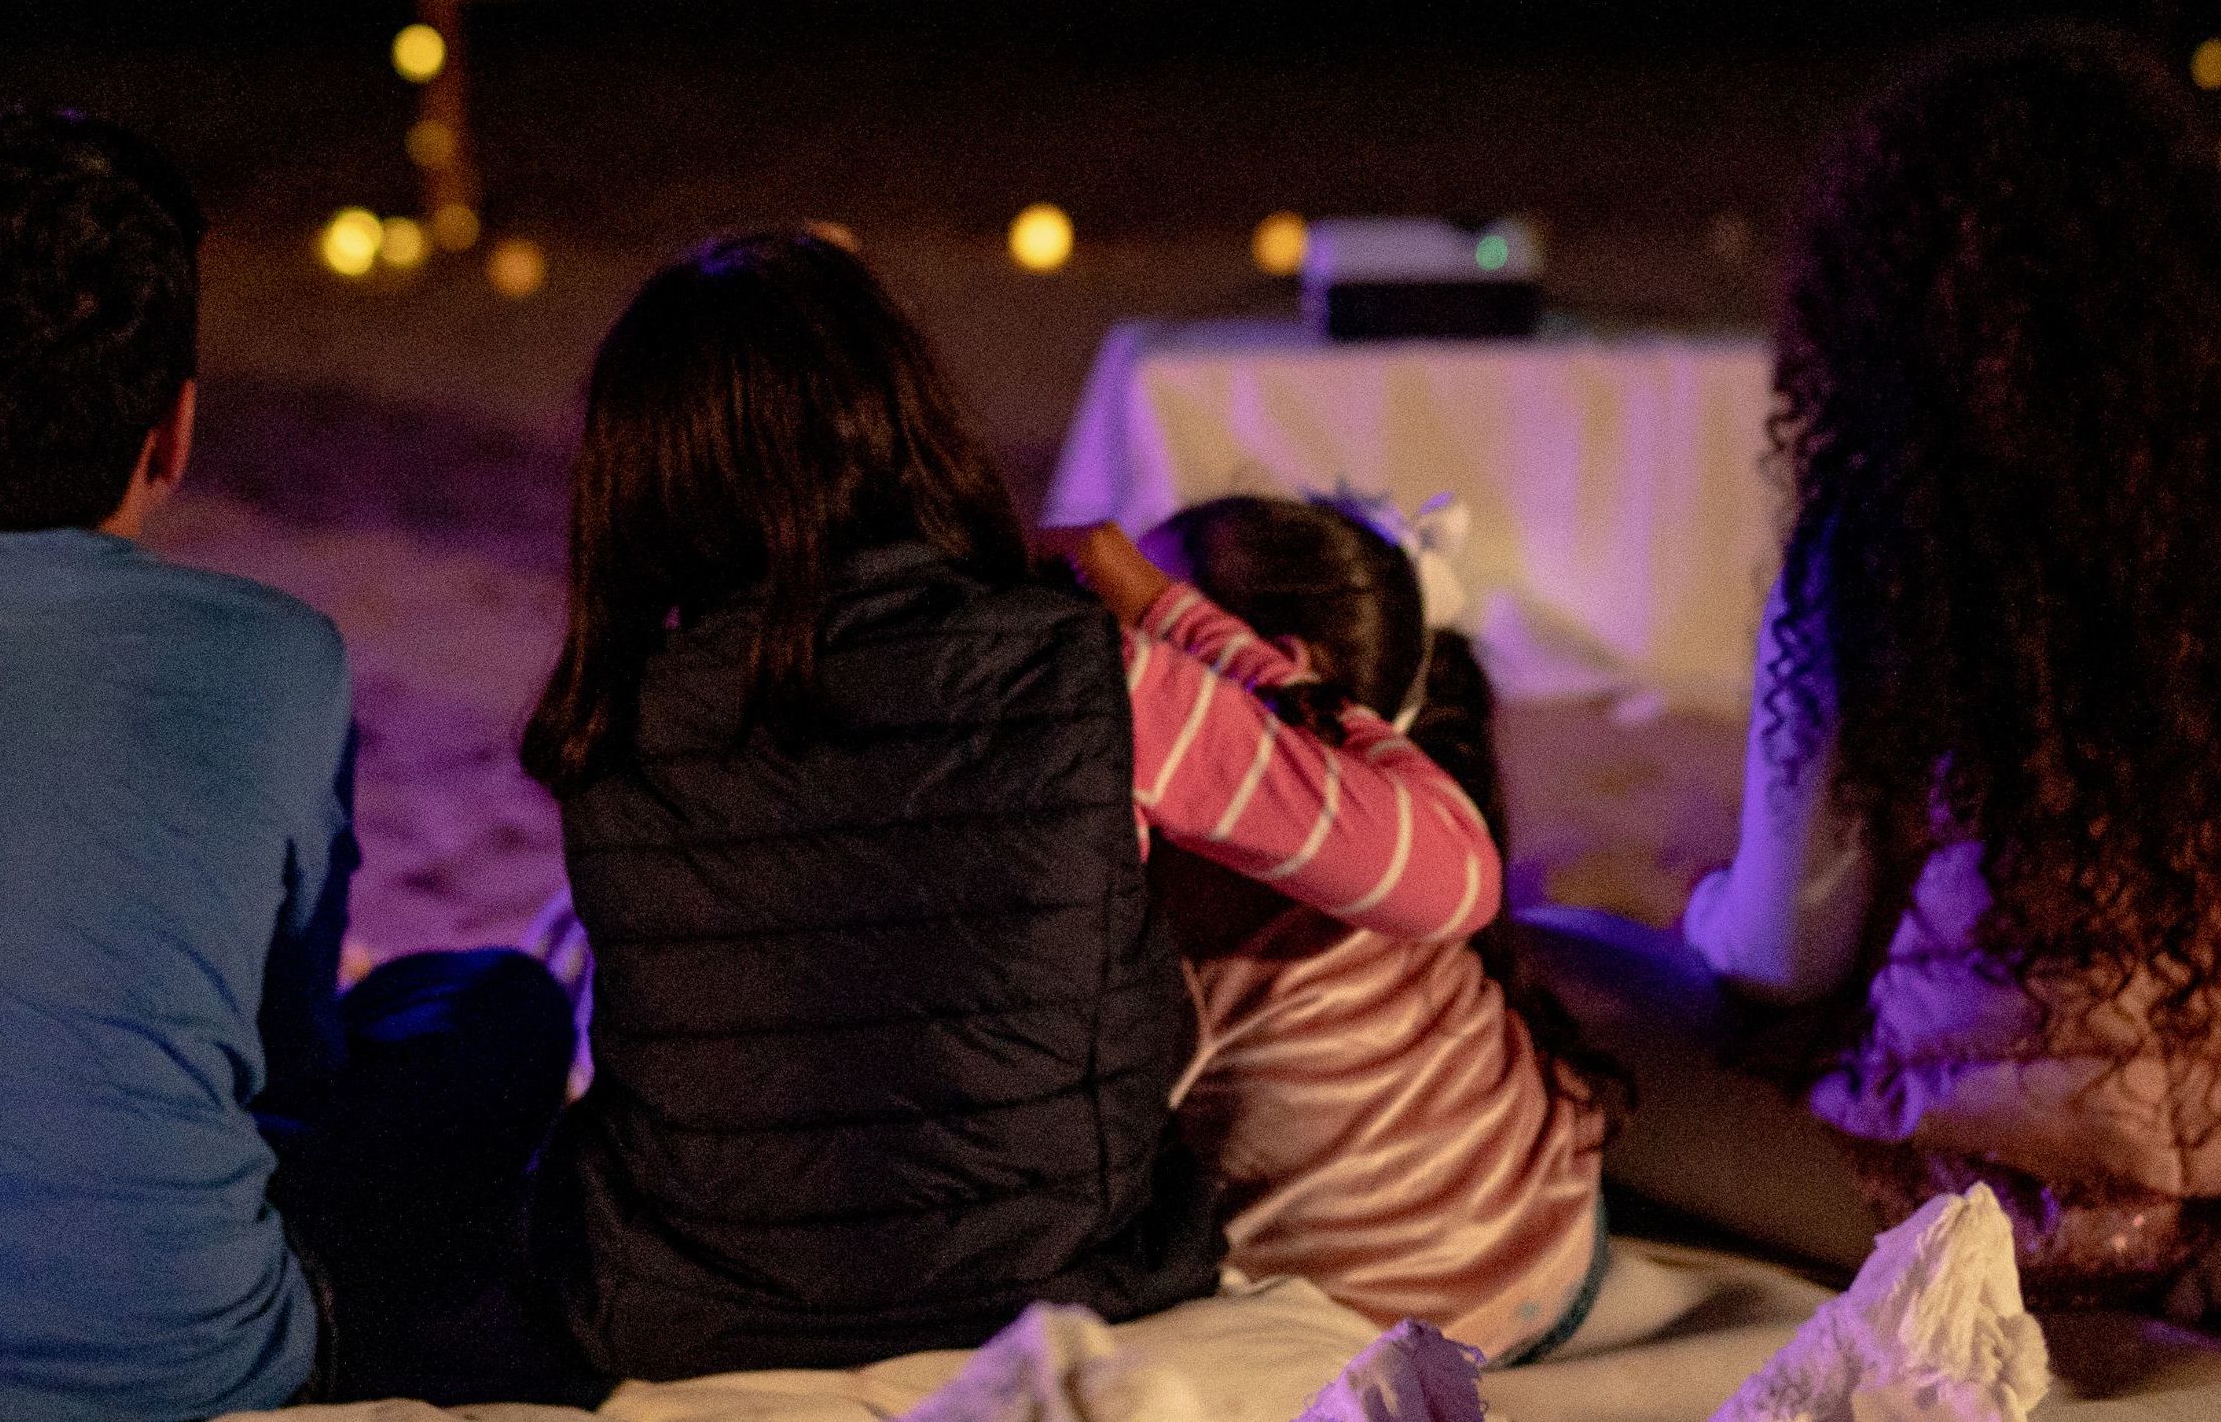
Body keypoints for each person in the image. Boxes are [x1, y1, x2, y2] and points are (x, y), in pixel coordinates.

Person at [519, 228, 1500, 1385]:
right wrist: (1175, 614)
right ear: (902, 427)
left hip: (687, 1315)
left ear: (635, 487)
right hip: (1068, 1283)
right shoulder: (1092, 678)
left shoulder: (609, 723)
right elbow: (1448, 874)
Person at [0, 109, 573, 1422]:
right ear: (174, 425)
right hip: (185, 1360)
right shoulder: (278, 658)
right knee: (496, 1007)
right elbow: (290, 1061)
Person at [1526, 31, 2221, 1299]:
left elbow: (1778, 959)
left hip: (1987, 1217)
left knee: (1533, 967)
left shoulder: (1881, 556)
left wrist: (1691, 906)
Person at [1126, 495, 1610, 1361]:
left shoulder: (1198, 864)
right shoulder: (1382, 801)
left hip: (1385, 1320)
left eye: (1135, 604)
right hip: (1557, 1230)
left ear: (1262, 664)